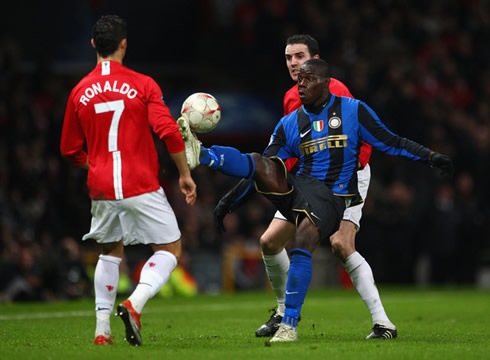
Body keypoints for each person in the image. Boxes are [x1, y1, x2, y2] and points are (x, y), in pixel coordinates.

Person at [179, 58, 453, 342]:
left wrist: (431, 157)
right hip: (301, 189)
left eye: (308, 80)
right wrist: (229, 202)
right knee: (263, 163)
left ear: (325, 83)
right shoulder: (290, 123)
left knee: (306, 233)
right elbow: (260, 169)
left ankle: (289, 325)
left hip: (334, 196)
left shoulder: (353, 111)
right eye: (299, 81)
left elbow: (393, 142)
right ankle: (204, 154)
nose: (301, 85)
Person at [214, 34, 393, 340]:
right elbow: (282, 154)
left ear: (315, 59)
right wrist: (238, 195)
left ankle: (383, 323)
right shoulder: (290, 97)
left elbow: (362, 141)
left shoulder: (336, 91)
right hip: (310, 180)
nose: (293, 63)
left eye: (299, 56)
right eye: (288, 58)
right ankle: (283, 313)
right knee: (269, 242)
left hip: (347, 176)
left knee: (340, 245)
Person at [60, 15, 197, 346]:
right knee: (170, 249)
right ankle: (134, 304)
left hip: (102, 185)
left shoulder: (79, 91)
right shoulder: (143, 83)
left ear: (93, 45)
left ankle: (101, 331)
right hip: (140, 182)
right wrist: (184, 174)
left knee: (109, 252)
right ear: (124, 44)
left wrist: (93, 166)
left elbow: (69, 149)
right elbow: (167, 131)